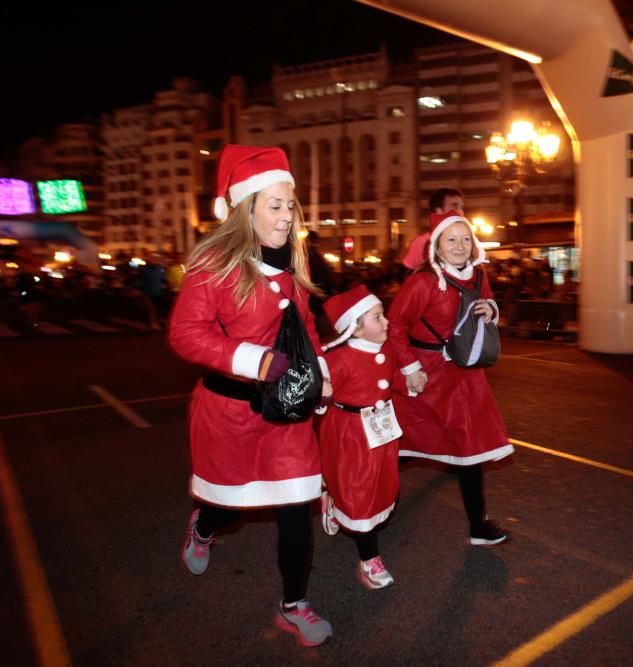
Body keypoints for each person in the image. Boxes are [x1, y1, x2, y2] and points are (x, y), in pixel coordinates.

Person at [167, 144, 334, 648]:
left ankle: (294, 606)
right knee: (230, 508)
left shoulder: (294, 260)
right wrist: (251, 360)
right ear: (246, 209)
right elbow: (184, 333)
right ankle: (204, 526)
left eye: (290, 206)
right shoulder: (215, 262)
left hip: (287, 415)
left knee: (296, 505)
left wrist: (319, 372)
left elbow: (303, 326)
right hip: (230, 415)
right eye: (275, 206)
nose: (286, 217)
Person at [387, 211, 513, 546]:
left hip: (463, 375)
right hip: (424, 375)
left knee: (469, 448)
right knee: (400, 448)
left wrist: (492, 311)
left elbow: (488, 302)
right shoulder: (423, 282)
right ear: (437, 247)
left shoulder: (478, 276)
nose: (460, 246)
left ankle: (478, 526)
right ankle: (358, 500)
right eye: (451, 239)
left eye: (466, 238)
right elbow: (395, 327)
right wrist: (410, 369)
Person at [317, 285, 401, 589]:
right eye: (377, 317)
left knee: (380, 485)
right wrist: (321, 394)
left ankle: (332, 499)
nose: (386, 322)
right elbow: (316, 396)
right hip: (349, 434)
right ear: (355, 328)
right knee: (360, 491)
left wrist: (412, 379)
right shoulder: (337, 359)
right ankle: (369, 560)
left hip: (381, 431)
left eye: (383, 315)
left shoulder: (387, 349)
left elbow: (391, 380)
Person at [401, 188, 465, 270]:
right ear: (438, 210)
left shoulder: (468, 239)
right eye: (454, 206)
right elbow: (409, 273)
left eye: (461, 208)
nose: (460, 212)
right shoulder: (422, 242)